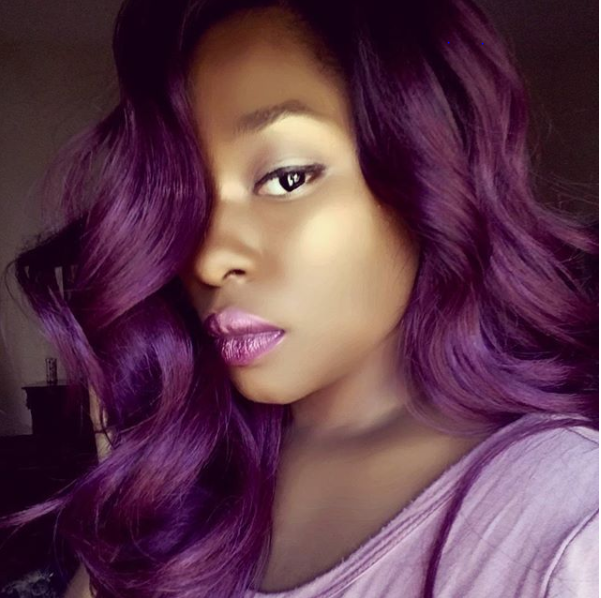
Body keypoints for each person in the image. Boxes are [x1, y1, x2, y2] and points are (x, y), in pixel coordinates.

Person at [2, 0, 597, 597]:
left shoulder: (567, 529)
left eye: (286, 178)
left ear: (429, 171)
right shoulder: (196, 463)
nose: (208, 259)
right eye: (186, 200)